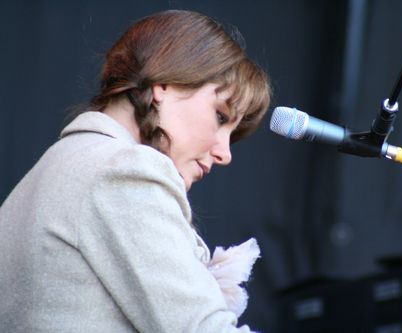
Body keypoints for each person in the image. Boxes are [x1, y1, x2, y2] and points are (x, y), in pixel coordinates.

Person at [0, 9, 271, 333]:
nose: (224, 153)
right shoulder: (124, 172)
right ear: (166, 83)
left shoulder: (59, 167)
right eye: (220, 116)